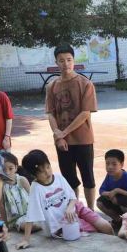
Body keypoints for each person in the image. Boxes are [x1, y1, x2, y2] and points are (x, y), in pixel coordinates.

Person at [16, 149, 112, 249]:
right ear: (33, 175)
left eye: (48, 167)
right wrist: (26, 240)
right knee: (96, 230)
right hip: (62, 224)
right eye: (41, 171)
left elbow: (72, 197)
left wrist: (70, 208)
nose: (47, 172)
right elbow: (31, 215)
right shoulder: (36, 189)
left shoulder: (58, 177)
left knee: (106, 226)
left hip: (75, 208)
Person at [46, 44, 98, 210]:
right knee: (69, 178)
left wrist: (64, 132)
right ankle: (74, 209)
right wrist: (58, 136)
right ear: (56, 62)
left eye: (69, 60)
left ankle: (90, 209)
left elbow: (85, 113)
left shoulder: (85, 84)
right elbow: (51, 114)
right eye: (61, 61)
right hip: (62, 141)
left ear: (74, 61)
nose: (65, 64)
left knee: (88, 177)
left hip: (83, 139)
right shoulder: (51, 86)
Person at [96, 149, 127, 228]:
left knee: (122, 202)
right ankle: (118, 220)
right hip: (116, 200)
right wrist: (108, 194)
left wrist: (117, 191)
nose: (110, 167)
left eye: (114, 164)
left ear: (121, 164)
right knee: (99, 203)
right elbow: (101, 190)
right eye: (107, 164)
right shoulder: (109, 175)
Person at [0, 151, 32, 232]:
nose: (7, 172)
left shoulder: (22, 180)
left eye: (11, 168)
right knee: (26, 226)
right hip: (17, 219)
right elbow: (1, 206)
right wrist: (5, 225)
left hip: (30, 213)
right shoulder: (0, 186)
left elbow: (33, 198)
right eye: (4, 169)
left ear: (16, 168)